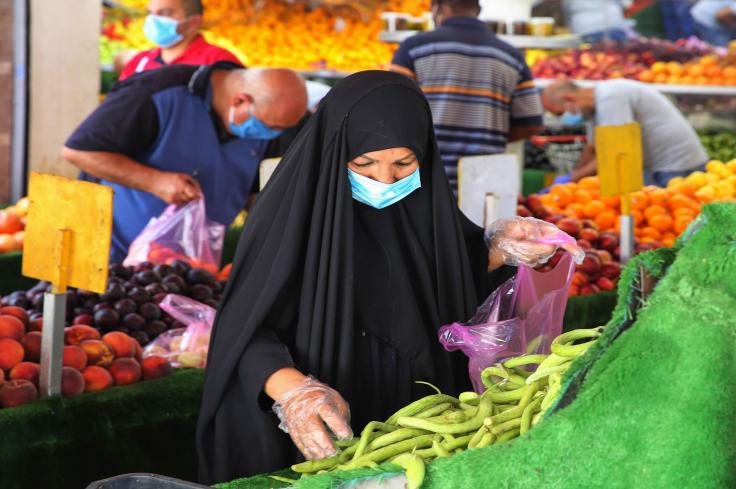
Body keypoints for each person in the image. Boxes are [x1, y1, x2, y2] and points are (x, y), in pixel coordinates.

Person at [195, 71, 581, 484]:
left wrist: (498, 250)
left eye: (404, 163)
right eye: (364, 163)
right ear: (334, 152)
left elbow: (449, 286)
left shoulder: (427, 213)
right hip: (326, 421)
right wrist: (293, 392)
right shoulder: (288, 221)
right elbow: (243, 328)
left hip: (422, 423)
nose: (385, 180)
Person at [62, 62, 308, 262]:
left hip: (195, 265)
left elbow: (252, 192)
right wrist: (155, 181)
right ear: (240, 101)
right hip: (111, 256)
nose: (275, 135)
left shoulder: (269, 116)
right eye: (271, 126)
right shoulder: (157, 92)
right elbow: (79, 151)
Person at [390, 0, 544, 190]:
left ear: (438, 8)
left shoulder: (414, 47)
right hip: (483, 181)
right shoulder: (512, 56)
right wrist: (491, 135)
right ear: (478, 10)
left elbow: (390, 112)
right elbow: (532, 123)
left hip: (425, 178)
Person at [541, 80, 709, 186]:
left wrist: (571, 180)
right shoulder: (592, 110)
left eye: (559, 113)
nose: (562, 119)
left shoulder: (610, 98)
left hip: (678, 167)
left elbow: (616, 153)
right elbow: (593, 148)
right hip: (659, 166)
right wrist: (573, 178)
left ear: (570, 100)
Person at [119, 0, 242, 81]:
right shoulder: (139, 62)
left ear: (194, 22)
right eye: (150, 13)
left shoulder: (219, 61)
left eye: (165, 13)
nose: (153, 20)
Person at [563, 0, 634, 43]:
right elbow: (627, 4)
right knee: (615, 58)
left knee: (588, 59)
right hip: (610, 24)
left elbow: (566, 7)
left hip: (583, 26)